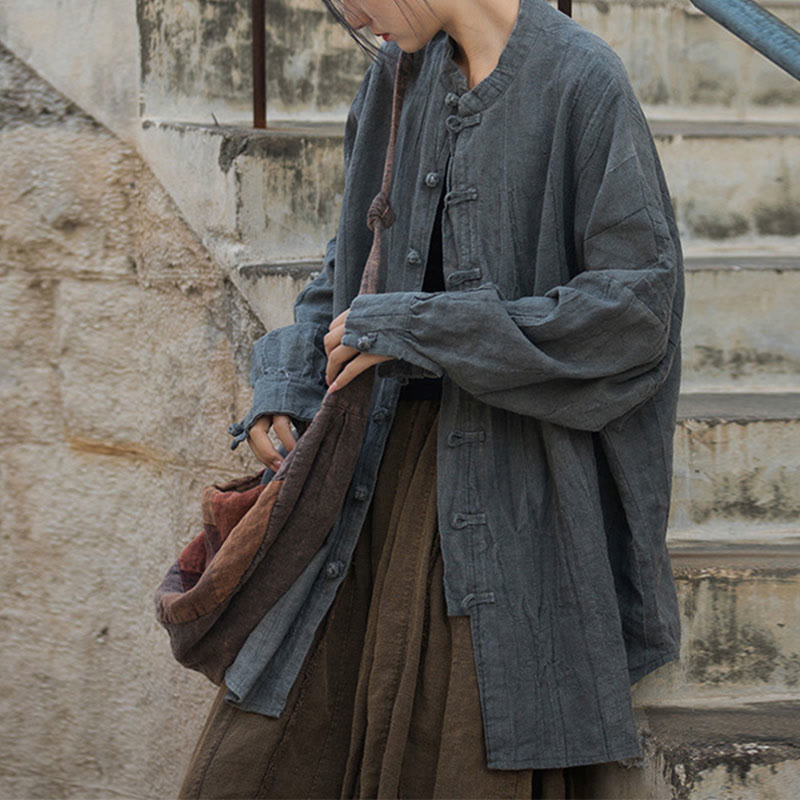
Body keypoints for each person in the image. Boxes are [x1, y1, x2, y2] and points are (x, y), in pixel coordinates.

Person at [179, 0, 684, 797]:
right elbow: (350, 267)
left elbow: (635, 315)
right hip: (364, 484)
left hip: (511, 499)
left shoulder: (581, 80)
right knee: (256, 759)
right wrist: (289, 384)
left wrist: (423, 328)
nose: (350, 15)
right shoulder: (394, 75)